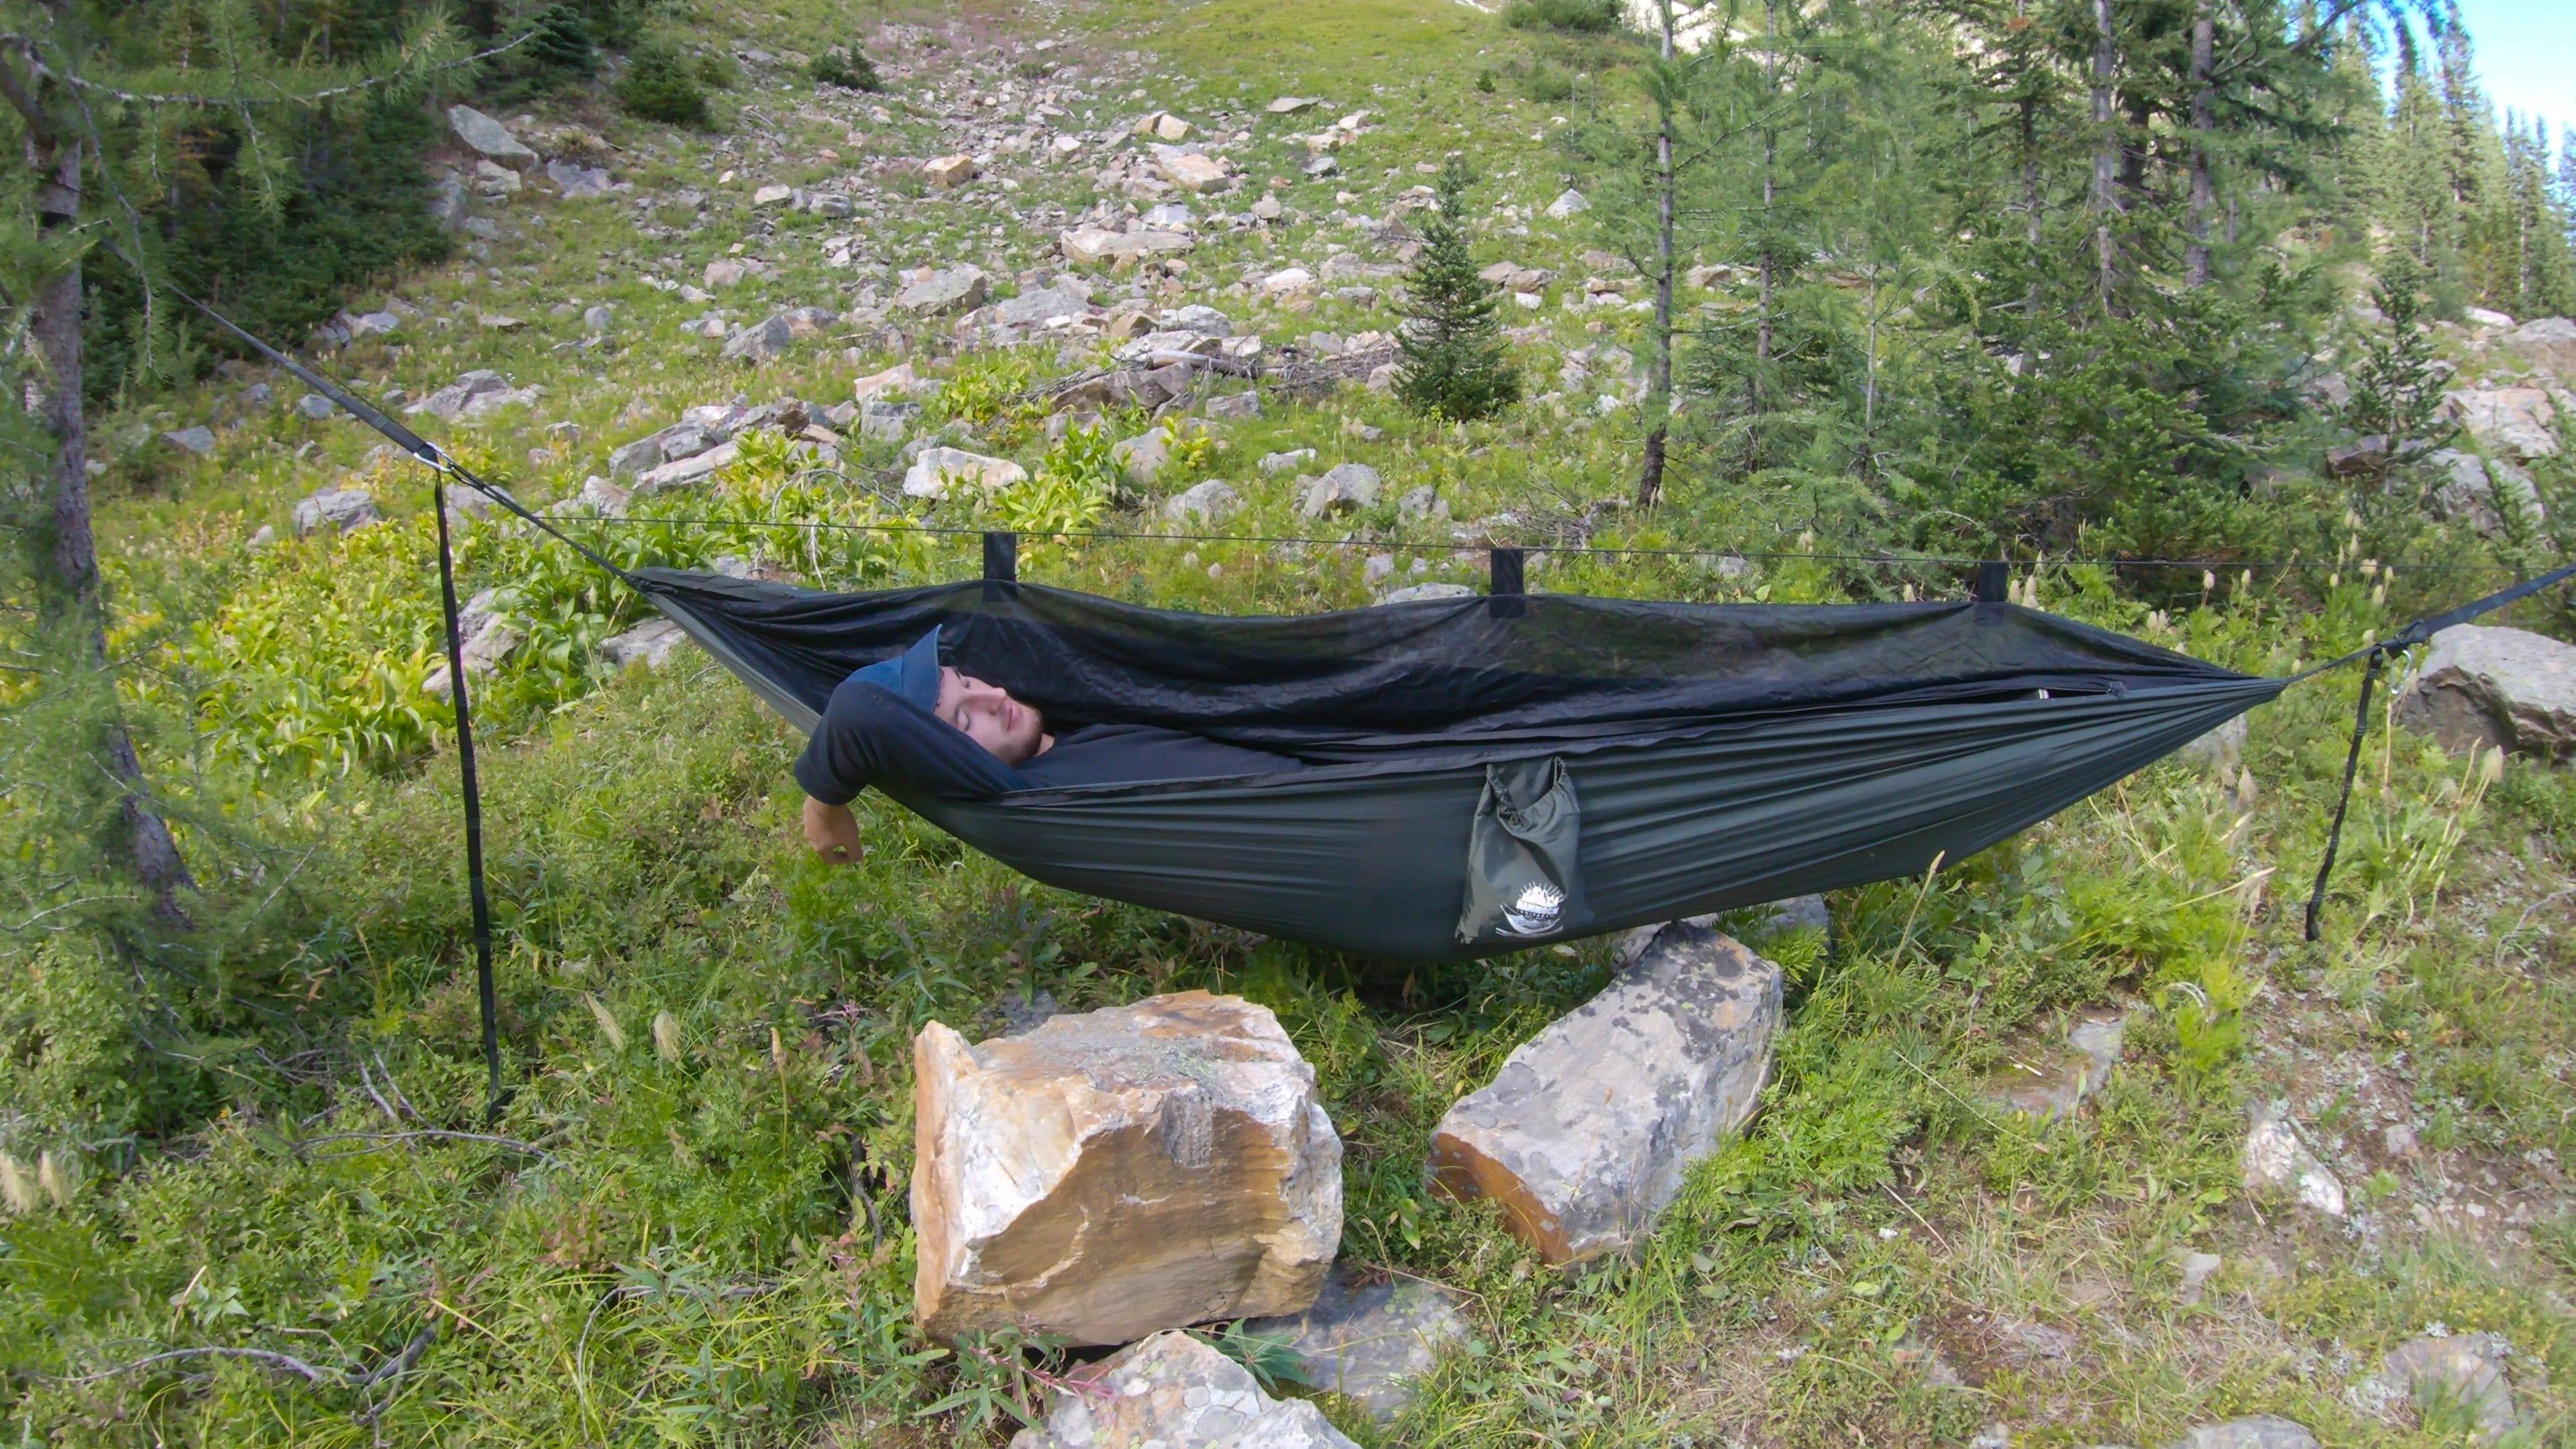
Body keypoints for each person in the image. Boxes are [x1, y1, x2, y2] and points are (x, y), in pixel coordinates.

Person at [798, 627, 1298, 861]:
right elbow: (859, 708)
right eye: (965, 722)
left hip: (1349, 769)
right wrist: (823, 807)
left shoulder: (1075, 715)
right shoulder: (1030, 795)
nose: (995, 696)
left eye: (968, 682)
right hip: (1347, 823)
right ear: (950, 763)